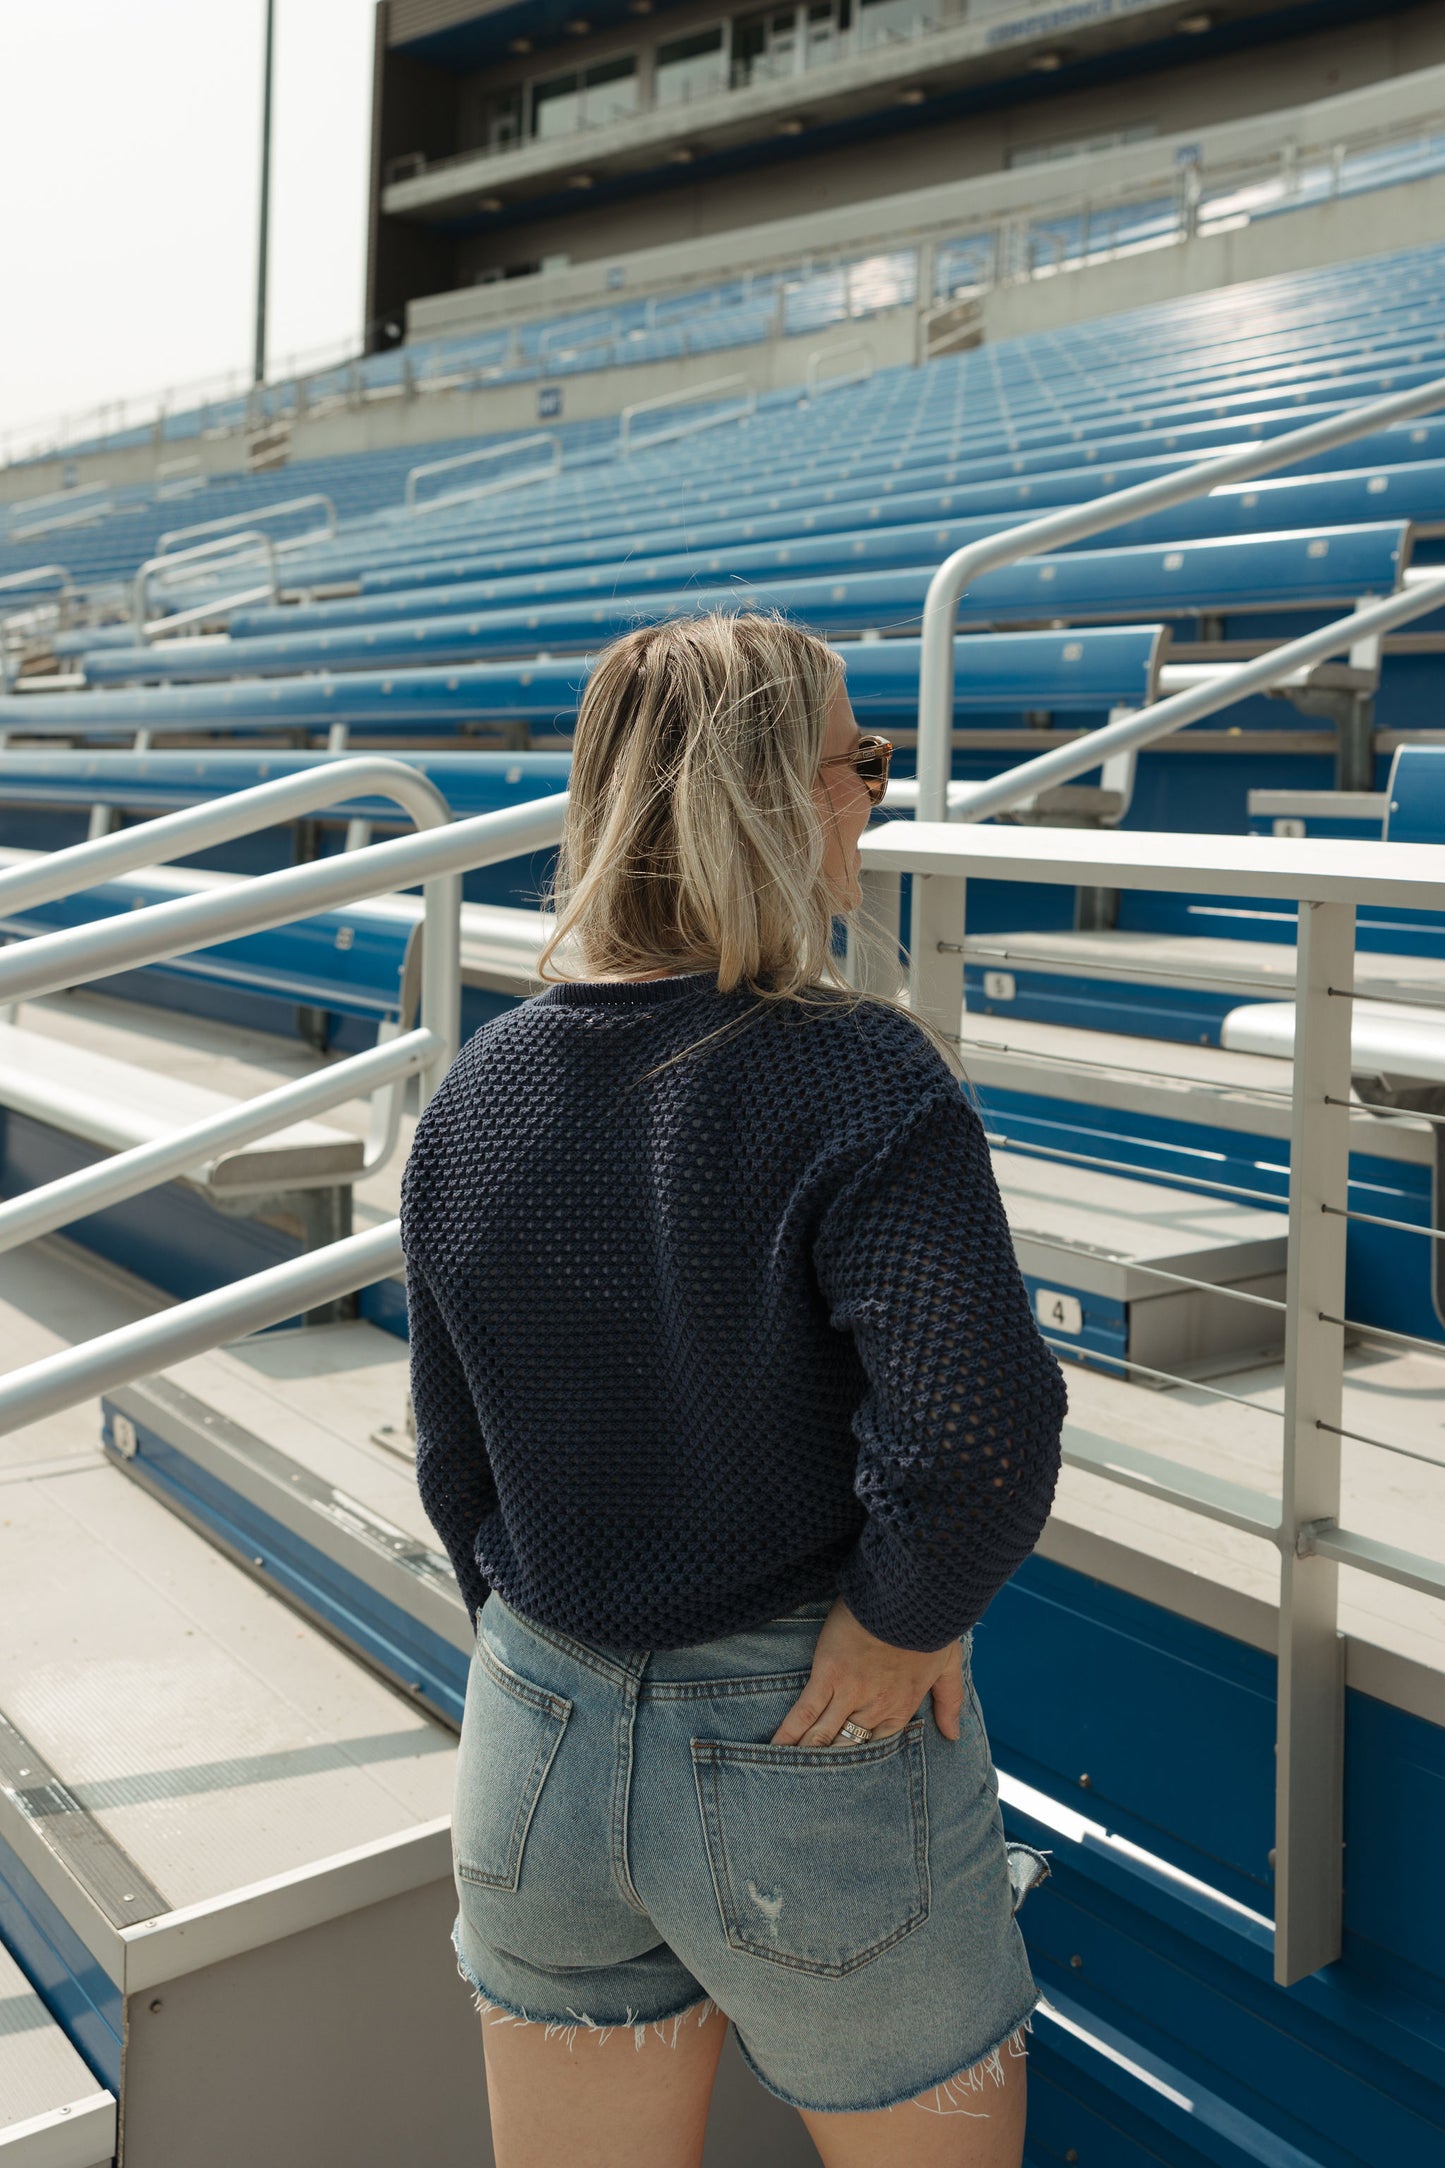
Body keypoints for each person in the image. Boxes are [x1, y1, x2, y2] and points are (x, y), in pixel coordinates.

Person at [400, 612, 1067, 2168]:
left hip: (533, 1724)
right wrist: (903, 1619)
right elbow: (975, 1436)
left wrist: (549, 1658)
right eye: (862, 760)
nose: (877, 795)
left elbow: (455, 1460)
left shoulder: (478, 1089)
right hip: (806, 1737)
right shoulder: (857, 1076)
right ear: (775, 795)